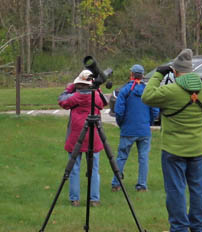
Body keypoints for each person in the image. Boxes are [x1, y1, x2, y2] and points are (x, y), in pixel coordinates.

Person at [141, 49, 202, 232]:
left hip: (173, 148)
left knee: (176, 189)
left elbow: (147, 96)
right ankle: (198, 229)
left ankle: (179, 229)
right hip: (199, 148)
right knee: (197, 189)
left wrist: (158, 73)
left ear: (175, 71)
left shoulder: (171, 91)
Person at [59, 70, 107, 205]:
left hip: (76, 136)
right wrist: (98, 89)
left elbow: (61, 100)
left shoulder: (74, 97)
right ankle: (94, 199)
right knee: (94, 169)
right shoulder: (96, 96)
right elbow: (104, 103)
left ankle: (75, 199)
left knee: (74, 169)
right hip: (94, 136)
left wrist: (69, 88)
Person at [110, 64, 158, 193]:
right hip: (144, 130)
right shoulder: (147, 90)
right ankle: (142, 185)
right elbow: (155, 110)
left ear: (131, 74)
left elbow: (119, 111)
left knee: (121, 157)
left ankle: (116, 183)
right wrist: (148, 122)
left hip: (128, 129)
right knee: (143, 158)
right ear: (142, 75)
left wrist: (122, 124)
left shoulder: (125, 90)